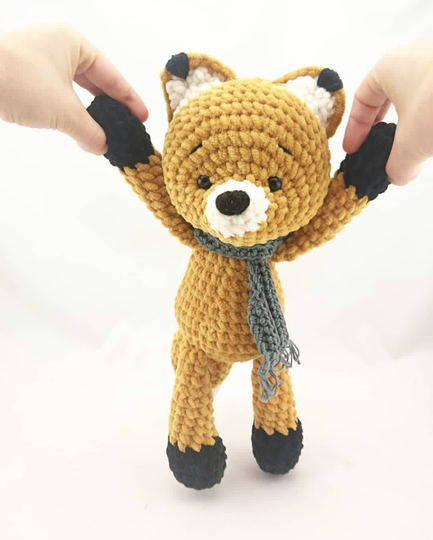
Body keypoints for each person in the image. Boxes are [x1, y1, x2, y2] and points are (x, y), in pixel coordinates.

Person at [0, 23, 431, 185]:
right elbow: (154, 182)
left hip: (263, 347)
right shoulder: (186, 211)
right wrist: (127, 147)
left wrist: (362, 174)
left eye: (274, 183)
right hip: (195, 335)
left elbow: (328, 212)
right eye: (204, 181)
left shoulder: (289, 228)